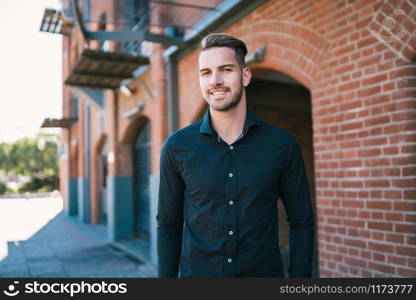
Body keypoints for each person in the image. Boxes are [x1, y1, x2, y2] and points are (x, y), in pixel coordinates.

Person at [157, 33, 315, 277]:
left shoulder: (282, 146)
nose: (215, 81)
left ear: (245, 75)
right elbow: (168, 224)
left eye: (226, 69)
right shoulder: (177, 147)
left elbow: (301, 221)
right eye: (206, 73)